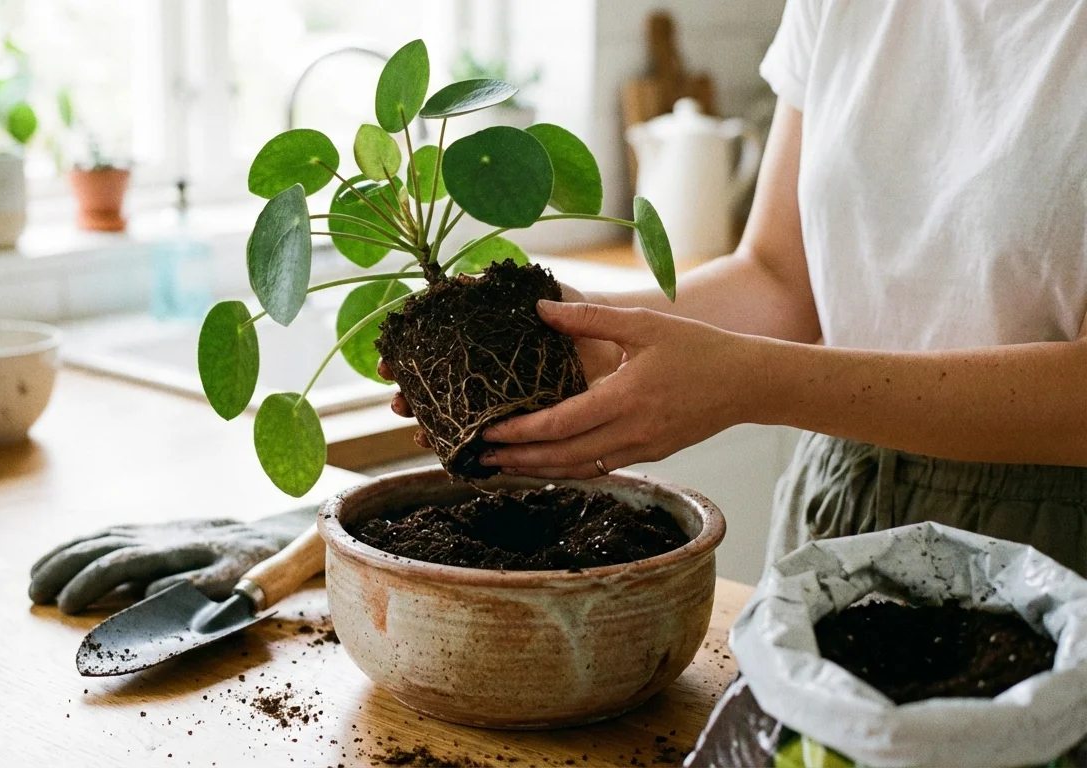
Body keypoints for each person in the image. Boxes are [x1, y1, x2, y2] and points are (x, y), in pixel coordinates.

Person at [391, 0, 1087, 575]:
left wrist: (756, 384)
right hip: (842, 499)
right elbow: (780, 278)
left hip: (1050, 537)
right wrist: (588, 327)